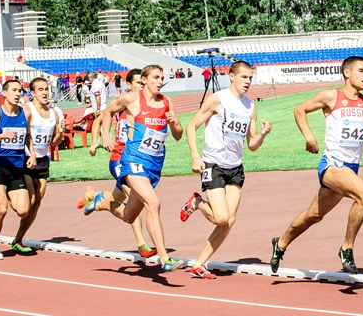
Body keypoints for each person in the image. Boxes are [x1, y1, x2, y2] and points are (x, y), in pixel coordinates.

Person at [269, 56, 363, 275]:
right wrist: (310, 138)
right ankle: (346, 249)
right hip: (332, 165)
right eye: (361, 71)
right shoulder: (332, 96)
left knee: (314, 215)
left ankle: (280, 243)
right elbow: (299, 110)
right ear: (347, 73)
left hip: (350, 170)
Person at [81, 65, 185, 273]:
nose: (159, 81)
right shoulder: (132, 99)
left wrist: (175, 124)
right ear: (145, 80)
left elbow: (178, 135)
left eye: (162, 78)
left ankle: (101, 202)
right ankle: (165, 259)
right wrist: (106, 135)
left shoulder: (167, 102)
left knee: (129, 215)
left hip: (153, 165)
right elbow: (108, 111)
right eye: (155, 77)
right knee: (153, 204)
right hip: (132, 161)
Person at [180, 61, 272, 279]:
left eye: (250, 78)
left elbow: (252, 144)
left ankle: (199, 264)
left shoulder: (250, 107)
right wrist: (195, 155)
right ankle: (197, 202)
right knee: (221, 218)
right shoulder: (217, 99)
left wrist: (263, 134)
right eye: (243, 77)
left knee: (229, 221)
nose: (248, 82)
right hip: (213, 164)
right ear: (231, 76)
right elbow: (191, 126)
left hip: (235, 168)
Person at [79, 69, 157, 258]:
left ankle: (96, 196)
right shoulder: (122, 104)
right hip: (119, 160)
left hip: (136, 161)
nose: (142, 86)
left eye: (143, 83)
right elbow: (98, 120)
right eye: (139, 83)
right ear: (129, 84)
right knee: (136, 199)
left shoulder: (143, 105)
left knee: (118, 197)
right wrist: (100, 140)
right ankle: (141, 244)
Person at [0, 79, 37, 260]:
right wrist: (2, 135)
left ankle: (2, 194)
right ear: (4, 93)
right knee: (2, 209)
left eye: (20, 90)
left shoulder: (24, 113)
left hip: (16, 167)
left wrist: (33, 154)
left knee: (23, 211)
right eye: (14, 90)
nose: (18, 94)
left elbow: (28, 136)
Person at [11, 77, 65, 253]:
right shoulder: (27, 110)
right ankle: (7, 191)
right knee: (30, 200)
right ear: (32, 93)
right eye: (40, 89)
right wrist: (31, 153)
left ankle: (18, 239)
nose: (44, 92)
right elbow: (24, 135)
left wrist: (61, 133)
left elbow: (55, 142)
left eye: (46, 89)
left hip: (43, 160)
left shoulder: (54, 113)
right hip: (26, 158)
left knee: (37, 203)